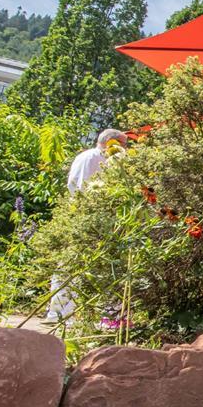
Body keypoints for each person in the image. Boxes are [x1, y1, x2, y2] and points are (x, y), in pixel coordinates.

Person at [45, 128, 127, 322]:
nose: (125, 149)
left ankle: (76, 314)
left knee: (92, 268)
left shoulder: (104, 159)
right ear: (111, 143)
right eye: (124, 144)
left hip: (94, 218)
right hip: (85, 217)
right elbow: (84, 189)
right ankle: (59, 313)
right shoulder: (91, 157)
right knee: (71, 265)